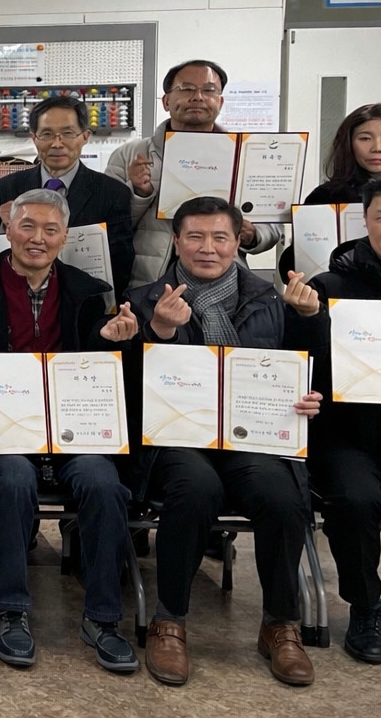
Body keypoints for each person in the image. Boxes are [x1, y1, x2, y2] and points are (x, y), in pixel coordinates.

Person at [123, 196, 323, 687]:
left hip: (251, 435)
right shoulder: (145, 298)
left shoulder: (273, 299)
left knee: (281, 496)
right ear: (175, 241)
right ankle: (169, 620)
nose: (206, 248)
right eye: (194, 237)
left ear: (239, 243)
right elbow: (126, 389)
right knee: (194, 490)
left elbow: (308, 365)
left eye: (219, 238)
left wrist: (308, 395)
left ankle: (280, 623)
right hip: (177, 437)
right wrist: (160, 332)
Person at [0, 188, 140, 673]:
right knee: (11, 482)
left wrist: (119, 343)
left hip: (76, 432)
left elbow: (112, 376)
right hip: (5, 431)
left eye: (50, 229)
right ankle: (11, 610)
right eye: (27, 226)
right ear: (7, 231)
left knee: (104, 484)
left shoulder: (89, 292)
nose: (38, 238)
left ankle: (103, 618)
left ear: (65, 237)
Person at [291, 168, 381, 666]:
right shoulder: (329, 285)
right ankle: (366, 606)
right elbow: (302, 368)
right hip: (350, 435)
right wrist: (305, 321)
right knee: (352, 498)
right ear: (364, 221)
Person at [105, 60, 282, 290]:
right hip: (149, 283)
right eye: (186, 89)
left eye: (208, 90)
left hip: (225, 282)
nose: (198, 96)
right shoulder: (129, 155)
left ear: (220, 101)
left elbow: (273, 224)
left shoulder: (246, 155)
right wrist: (139, 194)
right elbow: (111, 227)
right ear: (166, 101)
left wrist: (254, 234)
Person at [0, 94, 134, 292]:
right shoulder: (8, 188)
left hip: (85, 303)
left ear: (85, 136)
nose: (57, 143)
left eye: (68, 133)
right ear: (34, 138)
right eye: (47, 134)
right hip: (18, 300)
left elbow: (121, 265)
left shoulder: (113, 194)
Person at [278, 103, 381, 277]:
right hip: (338, 294)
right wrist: (302, 246)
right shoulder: (325, 196)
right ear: (349, 143)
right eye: (365, 138)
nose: (377, 147)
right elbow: (292, 269)